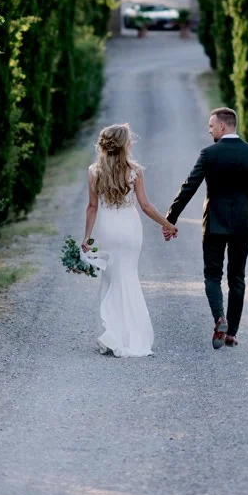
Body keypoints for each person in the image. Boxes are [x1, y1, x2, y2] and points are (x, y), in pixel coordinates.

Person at [164, 107, 248, 349]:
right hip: (243, 225)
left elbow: (188, 187)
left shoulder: (210, 154)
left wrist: (171, 218)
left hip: (214, 223)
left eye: (211, 126)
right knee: (237, 277)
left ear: (223, 126)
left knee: (213, 275)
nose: (209, 130)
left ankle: (219, 318)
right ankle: (231, 332)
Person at [82, 123, 177, 357]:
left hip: (107, 228)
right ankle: (130, 335)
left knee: (112, 279)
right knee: (128, 277)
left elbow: (92, 207)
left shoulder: (94, 171)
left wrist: (86, 238)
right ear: (124, 144)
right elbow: (145, 205)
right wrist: (166, 223)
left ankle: (113, 333)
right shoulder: (134, 171)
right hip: (130, 228)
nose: (132, 142)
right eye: (129, 140)